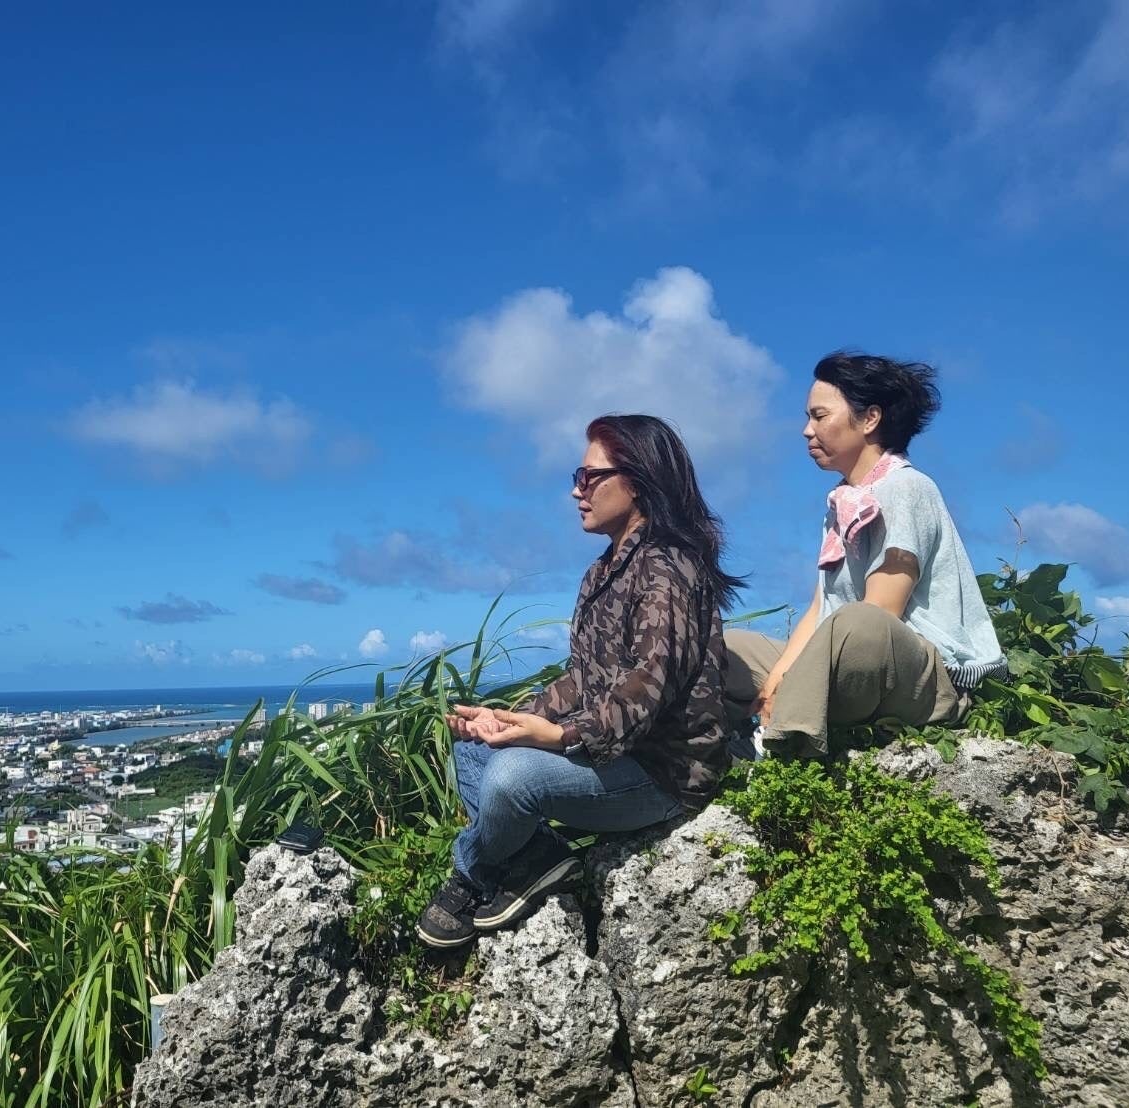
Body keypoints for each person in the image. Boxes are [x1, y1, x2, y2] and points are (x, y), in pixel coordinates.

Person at [416, 414, 742, 949]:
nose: (576, 491)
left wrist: (561, 736)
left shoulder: (669, 567)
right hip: (615, 754)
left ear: (637, 481)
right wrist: (513, 719)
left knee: (512, 777)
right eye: (578, 476)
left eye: (590, 477)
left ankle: (474, 870)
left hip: (663, 772)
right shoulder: (600, 573)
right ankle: (538, 857)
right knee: (473, 751)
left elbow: (648, 686)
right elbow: (581, 680)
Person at [725, 352, 1005, 760]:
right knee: (725, 647)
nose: (807, 430)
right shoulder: (841, 502)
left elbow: (882, 610)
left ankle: (778, 746)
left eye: (820, 416)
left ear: (870, 418)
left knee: (860, 621)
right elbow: (820, 606)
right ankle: (718, 739)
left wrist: (787, 684)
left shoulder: (907, 487)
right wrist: (776, 679)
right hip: (844, 664)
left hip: (921, 678)